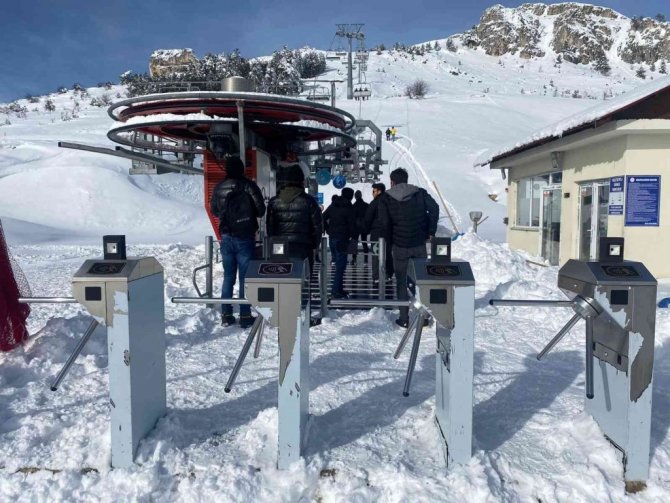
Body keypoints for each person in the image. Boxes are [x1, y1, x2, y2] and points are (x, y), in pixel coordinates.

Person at [379, 167, 439, 327]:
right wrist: (430, 231)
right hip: (419, 244)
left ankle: (404, 318)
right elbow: (434, 208)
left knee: (401, 280)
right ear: (406, 180)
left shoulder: (386, 198)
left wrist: (390, 240)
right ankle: (424, 317)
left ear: (392, 182)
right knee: (420, 280)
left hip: (399, 246)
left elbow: (384, 223)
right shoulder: (420, 193)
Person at [210, 156, 266, 328]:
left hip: (226, 236)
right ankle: (245, 314)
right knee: (244, 277)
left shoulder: (219, 187)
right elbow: (261, 210)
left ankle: (226, 314)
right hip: (245, 236)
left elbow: (214, 210)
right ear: (242, 169)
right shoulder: (249, 186)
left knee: (228, 276)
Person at [266, 164, 323, 273]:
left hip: (279, 245)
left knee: (280, 275)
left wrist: (273, 241)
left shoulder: (274, 202)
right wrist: (315, 245)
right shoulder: (309, 201)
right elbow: (317, 227)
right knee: (302, 277)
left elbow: (270, 227)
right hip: (303, 245)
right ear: (301, 182)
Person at [323, 187, 357, 298]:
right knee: (341, 266)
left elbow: (323, 217)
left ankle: (339, 289)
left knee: (339, 265)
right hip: (342, 238)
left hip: (332, 238)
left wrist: (328, 229)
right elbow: (352, 225)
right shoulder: (349, 208)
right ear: (351, 196)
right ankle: (335, 290)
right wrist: (353, 236)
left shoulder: (334, 204)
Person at [363, 182, 394, 284]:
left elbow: (368, 218)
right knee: (388, 254)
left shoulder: (374, 203)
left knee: (376, 254)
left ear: (379, 191)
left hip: (376, 233)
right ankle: (389, 274)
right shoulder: (390, 201)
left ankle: (377, 276)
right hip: (388, 233)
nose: (372, 193)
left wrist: (366, 230)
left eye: (374, 191)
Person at [352, 190, 369, 264]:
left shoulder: (353, 206)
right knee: (364, 242)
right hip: (364, 226)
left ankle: (354, 259)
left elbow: (352, 218)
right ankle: (366, 259)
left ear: (355, 197)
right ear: (361, 195)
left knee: (354, 243)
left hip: (355, 227)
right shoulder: (366, 205)